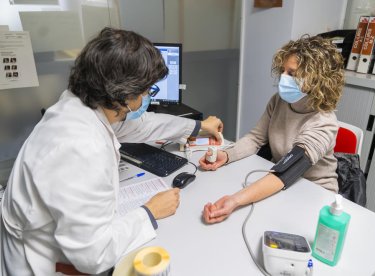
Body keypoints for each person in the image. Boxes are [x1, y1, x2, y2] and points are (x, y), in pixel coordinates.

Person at [1, 27, 223, 275]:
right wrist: (149, 212)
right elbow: (93, 255)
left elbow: (142, 126)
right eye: (147, 91)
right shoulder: (82, 146)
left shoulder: (79, 105)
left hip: (51, 239)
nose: (148, 97)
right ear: (124, 95)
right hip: (39, 262)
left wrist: (198, 126)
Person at [200, 35, 344, 224]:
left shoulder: (324, 122)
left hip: (314, 193)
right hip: (279, 182)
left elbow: (288, 170)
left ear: (316, 80)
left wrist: (234, 200)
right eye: (283, 71)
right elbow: (255, 138)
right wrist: (226, 155)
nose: (283, 78)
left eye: (292, 74)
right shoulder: (279, 101)